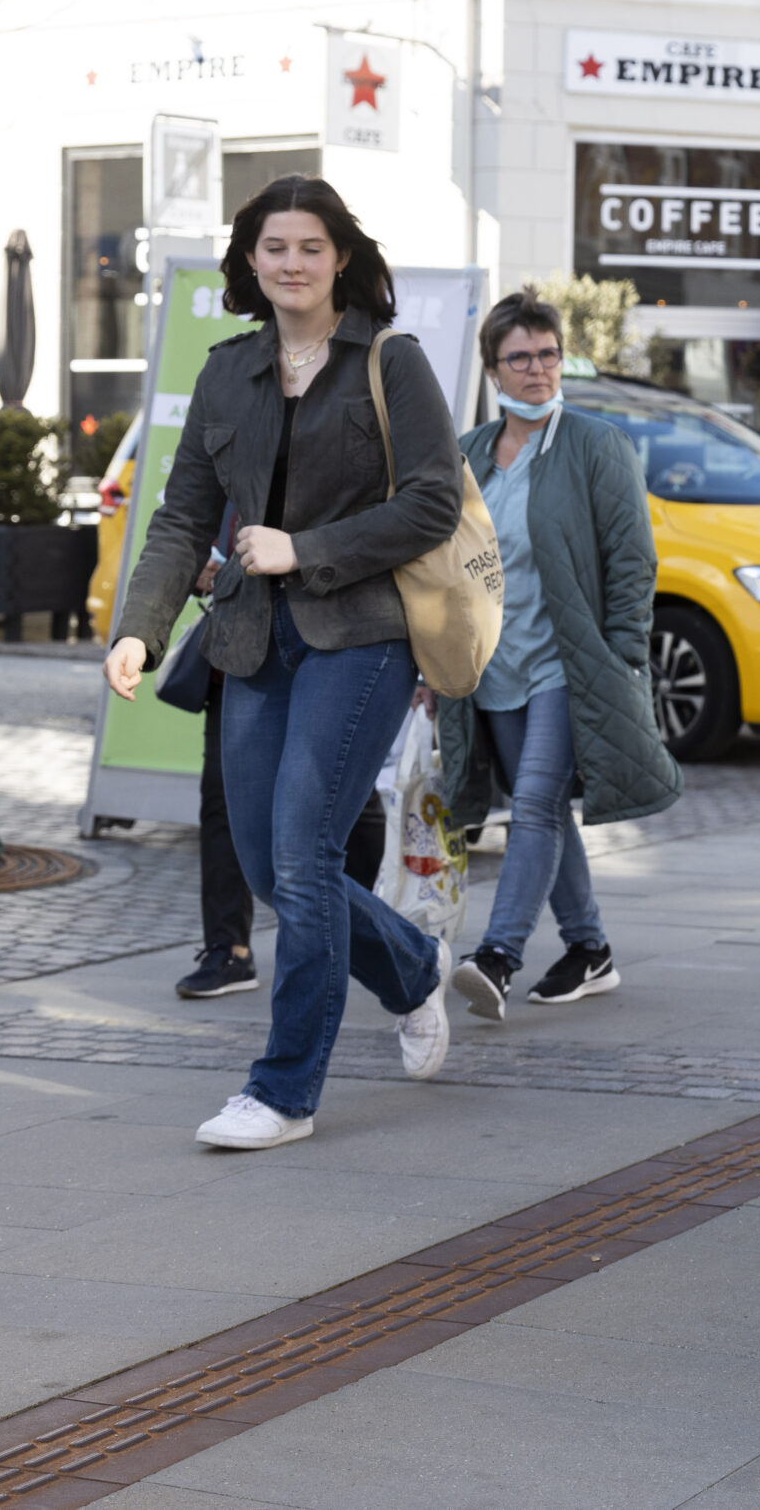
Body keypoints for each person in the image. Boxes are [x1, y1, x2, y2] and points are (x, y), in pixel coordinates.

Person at [108, 176, 463, 1150]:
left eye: (310, 247)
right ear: (251, 261)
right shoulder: (230, 371)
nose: (292, 264)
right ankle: (412, 968)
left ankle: (283, 1092)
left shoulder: (391, 362)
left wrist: (306, 549)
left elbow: (432, 503)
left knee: (305, 853)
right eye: (275, 249)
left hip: (361, 635)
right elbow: (182, 515)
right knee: (270, 866)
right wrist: (138, 625)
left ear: (341, 255)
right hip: (249, 636)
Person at [439, 287, 683, 1021]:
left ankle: (498, 954)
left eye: (549, 354)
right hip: (493, 666)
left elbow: (632, 560)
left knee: (538, 802)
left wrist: (618, 659)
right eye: (521, 357)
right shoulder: (470, 454)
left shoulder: (594, 444)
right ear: (494, 370)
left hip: (567, 666)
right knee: (536, 806)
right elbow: (444, 564)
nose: (539, 369)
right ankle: (589, 946)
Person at [177, 524, 392, 1000]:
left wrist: (297, 552)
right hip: (240, 647)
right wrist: (200, 569)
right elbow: (182, 520)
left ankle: (344, 928)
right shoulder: (217, 451)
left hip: (328, 640)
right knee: (229, 812)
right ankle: (227, 947)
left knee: (327, 825)